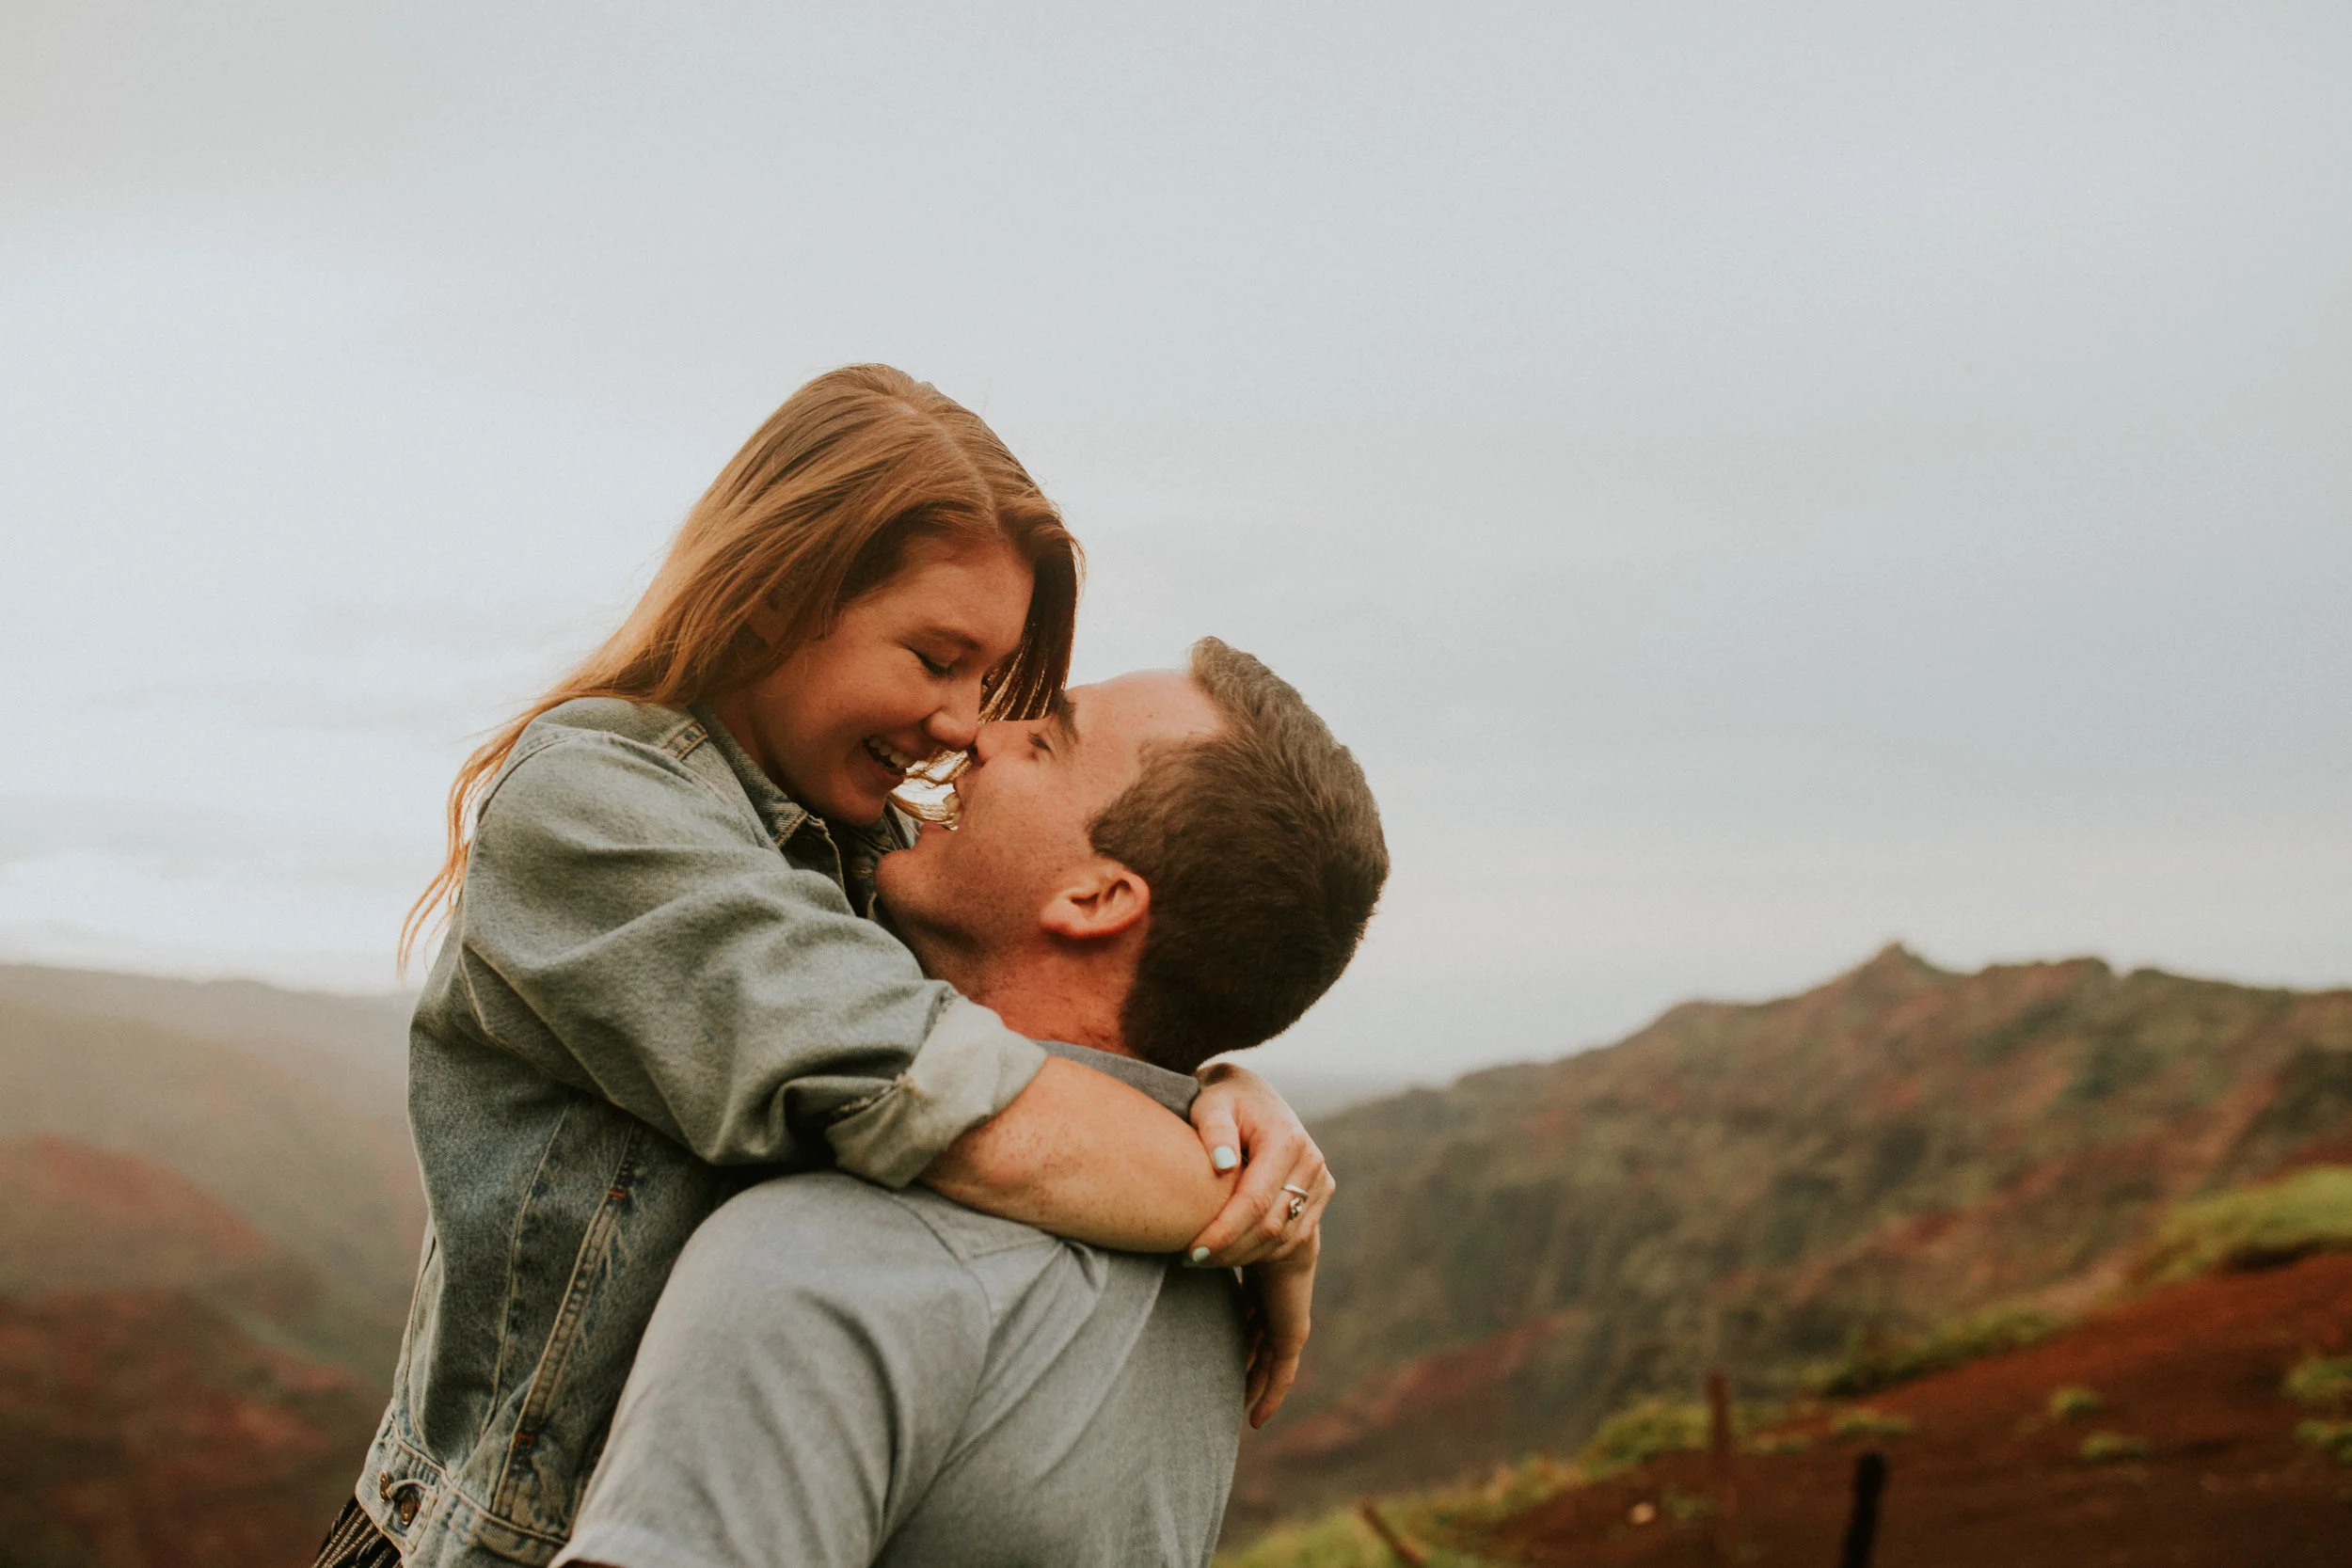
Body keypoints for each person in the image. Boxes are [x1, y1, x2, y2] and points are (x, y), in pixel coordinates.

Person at [318, 368, 1333, 1568]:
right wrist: (1253, 1213)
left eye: (987, 675)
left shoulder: (866, 851)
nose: (963, 722)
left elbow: (1045, 1005)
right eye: (935, 656)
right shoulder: (595, 808)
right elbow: (935, 1092)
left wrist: (1219, 1086)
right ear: (775, 600)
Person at [558, 640, 1389, 1568]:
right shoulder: (1210, 1289)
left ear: (1097, 896)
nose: (982, 734)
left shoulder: (825, 1259)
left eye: (1044, 742)